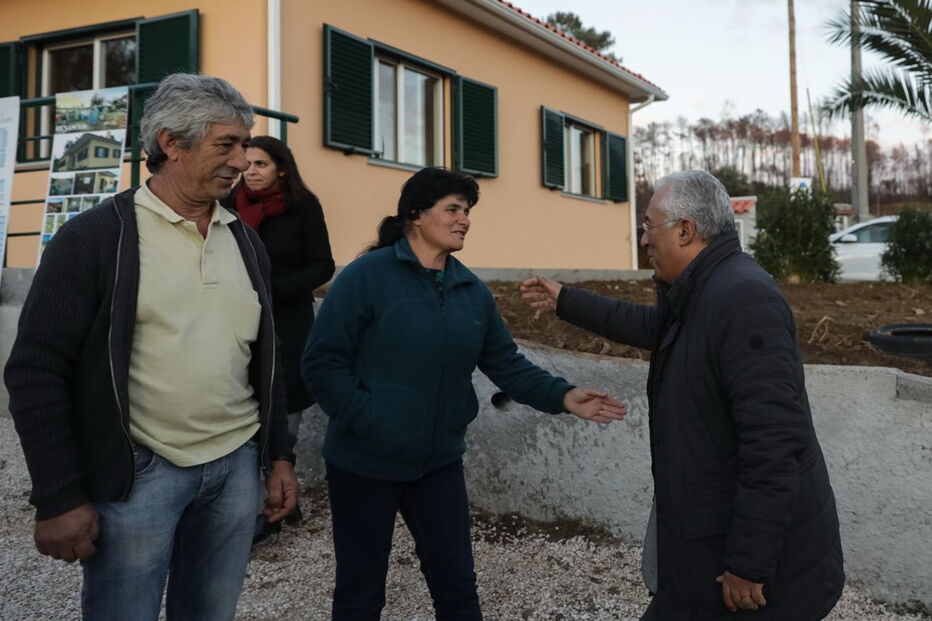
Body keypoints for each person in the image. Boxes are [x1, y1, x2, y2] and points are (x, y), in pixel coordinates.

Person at [4, 73, 298, 620]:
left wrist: (278, 455)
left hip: (236, 470)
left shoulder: (245, 240)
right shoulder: (95, 238)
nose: (241, 161)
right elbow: (36, 370)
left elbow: (265, 358)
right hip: (140, 475)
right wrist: (60, 496)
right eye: (226, 144)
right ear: (171, 144)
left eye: (244, 145)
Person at [302, 166, 627, 620]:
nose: (464, 219)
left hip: (437, 465)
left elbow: (506, 363)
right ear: (416, 214)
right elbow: (322, 361)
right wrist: (368, 420)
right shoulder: (366, 277)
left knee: (456, 586)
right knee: (360, 590)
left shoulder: (471, 291)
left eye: (467, 210)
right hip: (365, 464)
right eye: (452, 209)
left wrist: (565, 395)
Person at [521, 170, 844, 620]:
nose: (644, 240)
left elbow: (774, 444)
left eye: (649, 226)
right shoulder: (707, 289)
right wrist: (567, 301)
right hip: (706, 541)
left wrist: (747, 564)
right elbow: (656, 327)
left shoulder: (744, 300)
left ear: (685, 230)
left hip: (757, 566)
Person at [225, 135, 334, 538]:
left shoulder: (303, 208)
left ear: (282, 169)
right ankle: (244, 500)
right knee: (239, 402)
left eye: (260, 165)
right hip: (234, 320)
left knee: (284, 405)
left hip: (286, 323)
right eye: (247, 164)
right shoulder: (226, 205)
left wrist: (271, 290)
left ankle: (280, 501)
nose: (249, 171)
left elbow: (322, 265)